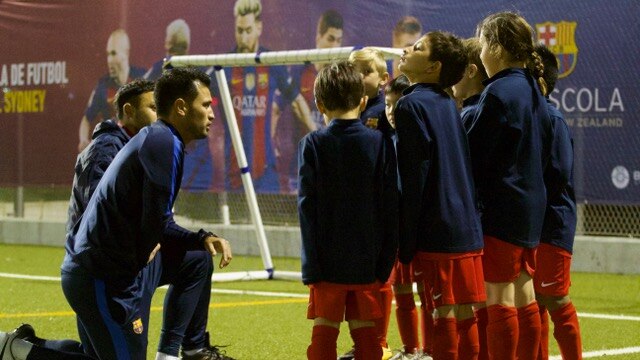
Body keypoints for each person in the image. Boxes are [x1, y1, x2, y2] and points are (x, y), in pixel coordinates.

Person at [60, 67, 233, 360]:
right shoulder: (161, 142)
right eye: (206, 105)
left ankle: (178, 352)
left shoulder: (165, 140)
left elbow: (157, 224)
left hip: (118, 270)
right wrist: (154, 246)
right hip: (101, 276)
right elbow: (155, 225)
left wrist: (200, 239)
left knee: (196, 260)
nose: (212, 114)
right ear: (180, 107)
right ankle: (20, 349)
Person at [298, 60, 399, 360]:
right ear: (363, 100)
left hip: (326, 261)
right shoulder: (380, 143)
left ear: (319, 104)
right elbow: (390, 206)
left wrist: (310, 264)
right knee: (366, 333)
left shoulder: (312, 144)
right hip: (368, 260)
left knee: (324, 331)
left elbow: (307, 208)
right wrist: (385, 262)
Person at [394, 31, 486, 360]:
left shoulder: (410, 105)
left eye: (417, 47)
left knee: (442, 312)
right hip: (466, 229)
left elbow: (414, 176)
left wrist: (406, 236)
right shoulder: (448, 102)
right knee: (464, 313)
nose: (406, 49)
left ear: (433, 66)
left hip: (438, 229)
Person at [467, 11, 552, 360]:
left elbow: (475, 153)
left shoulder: (498, 92)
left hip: (501, 206)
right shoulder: (533, 87)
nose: (482, 52)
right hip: (530, 207)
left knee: (498, 295)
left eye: (484, 45)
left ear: (498, 49)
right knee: (524, 292)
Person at [207, 0, 314, 193]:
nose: (243, 37)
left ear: (259, 27)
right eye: (239, 30)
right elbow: (199, 97)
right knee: (238, 223)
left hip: (267, 172)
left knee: (267, 222)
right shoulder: (223, 66)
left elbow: (297, 102)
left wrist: (318, 137)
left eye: (248, 30)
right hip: (234, 170)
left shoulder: (271, 61)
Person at [533, 43, 582, 360]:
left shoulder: (552, 119)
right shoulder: (530, 117)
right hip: (530, 225)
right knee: (532, 300)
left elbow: (560, 173)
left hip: (552, 224)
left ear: (539, 82)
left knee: (555, 297)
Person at [383, 75, 434, 360]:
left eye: (397, 104)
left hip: (420, 228)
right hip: (397, 230)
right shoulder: (384, 140)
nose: (391, 111)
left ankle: (428, 350)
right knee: (401, 292)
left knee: (426, 294)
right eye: (388, 105)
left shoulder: (417, 140)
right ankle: (411, 348)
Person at [274, 9, 344, 192]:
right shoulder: (299, 71)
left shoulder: (343, 76)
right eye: (330, 39)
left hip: (333, 164)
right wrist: (271, 145)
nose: (335, 46)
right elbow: (275, 108)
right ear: (318, 38)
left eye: (339, 41)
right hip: (301, 165)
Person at [77, 29, 147, 152]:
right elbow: (86, 120)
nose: (109, 60)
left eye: (114, 53)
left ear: (126, 53)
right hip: (111, 155)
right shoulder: (102, 86)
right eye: (108, 54)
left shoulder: (143, 79)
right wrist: (83, 139)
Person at [349, 47, 390, 132]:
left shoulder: (383, 110)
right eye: (354, 71)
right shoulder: (348, 107)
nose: (359, 76)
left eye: (367, 71)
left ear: (383, 78)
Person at [451, 37, 488, 132]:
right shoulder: (484, 109)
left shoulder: (471, 114)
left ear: (471, 71)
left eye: (455, 68)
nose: (450, 76)